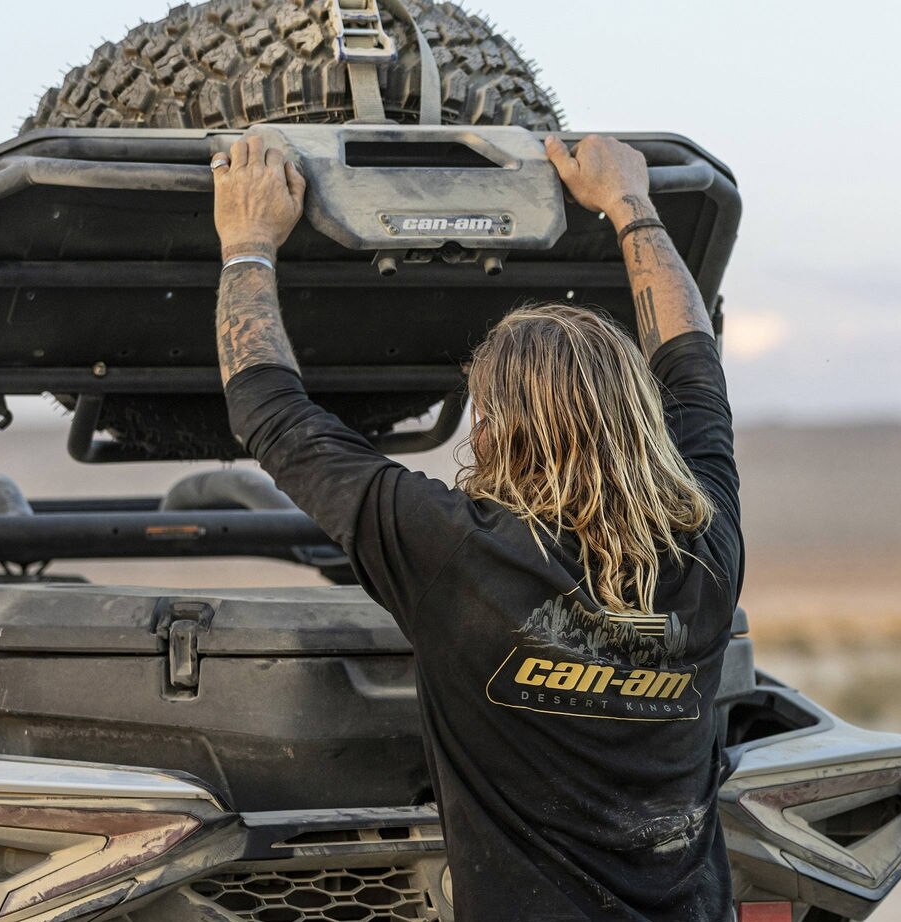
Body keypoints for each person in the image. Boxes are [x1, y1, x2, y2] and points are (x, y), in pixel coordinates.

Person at [209, 132, 743, 921]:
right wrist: (632, 204)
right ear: (641, 416)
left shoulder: (456, 554)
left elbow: (271, 411)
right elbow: (692, 362)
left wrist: (249, 241)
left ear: (499, 432)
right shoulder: (707, 546)